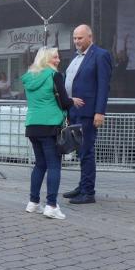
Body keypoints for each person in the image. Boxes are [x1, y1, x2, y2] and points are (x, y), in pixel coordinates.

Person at [23, 47, 85, 219]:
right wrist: (72, 100)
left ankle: (33, 202)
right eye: (54, 57)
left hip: (32, 125)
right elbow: (64, 102)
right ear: (46, 59)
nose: (58, 60)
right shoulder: (54, 75)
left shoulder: (29, 77)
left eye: (58, 57)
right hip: (50, 125)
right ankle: (51, 205)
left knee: (39, 164)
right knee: (54, 165)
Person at [62, 24, 112, 204]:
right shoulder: (75, 57)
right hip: (74, 111)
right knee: (80, 151)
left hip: (88, 112)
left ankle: (88, 191)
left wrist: (99, 112)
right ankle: (82, 186)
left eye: (80, 38)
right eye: (74, 38)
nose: (76, 41)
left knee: (86, 151)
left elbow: (103, 85)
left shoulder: (100, 55)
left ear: (90, 37)